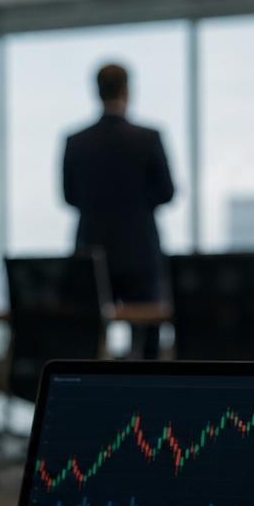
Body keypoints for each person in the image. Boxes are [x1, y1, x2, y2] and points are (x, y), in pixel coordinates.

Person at [62, 62, 175, 357]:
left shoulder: (76, 143)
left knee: (88, 341)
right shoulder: (148, 138)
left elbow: (69, 197)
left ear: (96, 92)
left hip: (91, 253)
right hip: (140, 253)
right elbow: (167, 192)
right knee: (148, 341)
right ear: (128, 90)